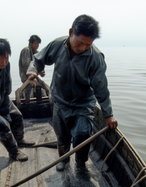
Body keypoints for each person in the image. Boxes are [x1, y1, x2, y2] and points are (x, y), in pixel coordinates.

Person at [27, 14, 118, 174]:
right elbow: (37, 60)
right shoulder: (57, 45)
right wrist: (33, 71)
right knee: (61, 136)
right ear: (71, 32)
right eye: (79, 42)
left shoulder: (95, 58)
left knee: (82, 135)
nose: (82, 48)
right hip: (59, 103)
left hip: (82, 105)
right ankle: (64, 159)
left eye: (87, 45)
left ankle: (81, 164)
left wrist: (108, 114)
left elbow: (101, 88)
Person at [18, 35, 47, 103]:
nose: (37, 45)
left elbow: (39, 67)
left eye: (38, 43)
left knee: (44, 89)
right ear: (31, 43)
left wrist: (41, 71)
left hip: (35, 76)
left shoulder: (37, 53)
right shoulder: (26, 50)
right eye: (35, 43)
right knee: (33, 89)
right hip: (26, 76)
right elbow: (26, 66)